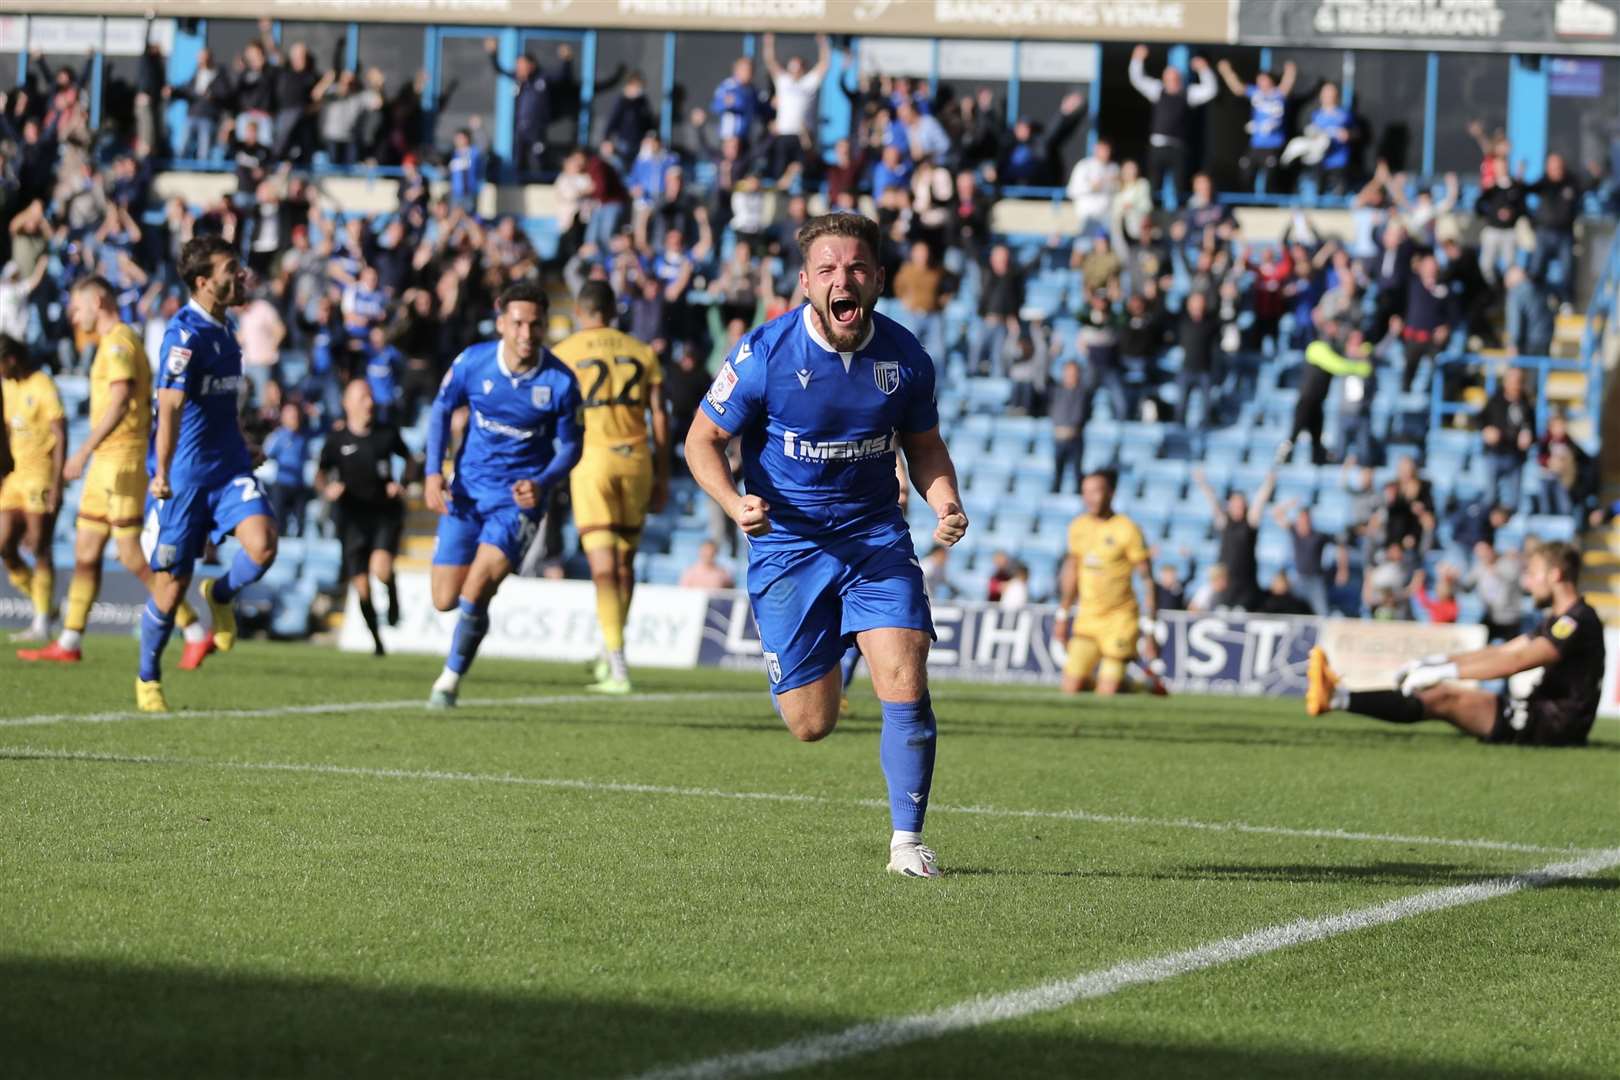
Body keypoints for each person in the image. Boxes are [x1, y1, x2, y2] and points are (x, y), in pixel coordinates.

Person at [684, 212, 967, 879]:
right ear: (807, 282)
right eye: (829, 269)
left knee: (906, 674)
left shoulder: (905, 358)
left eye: (858, 267)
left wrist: (947, 501)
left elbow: (923, 447)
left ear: (877, 278)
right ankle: (839, 642)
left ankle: (907, 843)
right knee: (811, 723)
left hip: (875, 537)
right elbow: (700, 441)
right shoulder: (764, 355)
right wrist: (733, 503)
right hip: (789, 547)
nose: (844, 279)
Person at [20, 281, 211, 665]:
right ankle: (69, 641)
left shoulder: (119, 342)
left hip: (120, 459)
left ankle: (193, 629)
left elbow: (122, 399)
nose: (74, 315)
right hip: (104, 464)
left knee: (130, 555)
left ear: (98, 300)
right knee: (85, 551)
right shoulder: (108, 342)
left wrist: (82, 451)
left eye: (77, 307)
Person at [423, 281, 584, 708]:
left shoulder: (561, 382)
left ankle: (449, 680)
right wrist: (431, 472)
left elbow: (571, 446)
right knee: (443, 599)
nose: (526, 334)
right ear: (501, 324)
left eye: (535, 325)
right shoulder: (473, 363)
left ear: (545, 326)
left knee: (476, 589)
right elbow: (440, 410)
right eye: (517, 324)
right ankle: (472, 627)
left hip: (518, 503)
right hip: (466, 495)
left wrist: (544, 481)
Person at [139, 236, 281, 713]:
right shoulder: (185, 336)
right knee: (169, 586)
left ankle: (219, 593)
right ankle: (148, 677)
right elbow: (171, 407)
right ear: (204, 282)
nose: (240, 275)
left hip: (229, 470)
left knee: (263, 546)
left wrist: (243, 442)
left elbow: (218, 406)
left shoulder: (226, 330)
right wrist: (161, 471)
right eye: (230, 269)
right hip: (186, 478)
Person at [1307, 542, 1603, 747]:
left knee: (1443, 697)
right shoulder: (1557, 619)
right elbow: (1501, 651)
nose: (1527, 584)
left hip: (1557, 725)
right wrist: (1438, 662)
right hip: (1538, 711)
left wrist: (1447, 672)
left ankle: (1337, 700)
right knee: (1439, 693)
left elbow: (1516, 662)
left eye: (1533, 574)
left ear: (1555, 575)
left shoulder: (1576, 621)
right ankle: (1338, 698)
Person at [552, 281, 669, 694]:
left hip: (592, 459)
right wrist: (663, 472)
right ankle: (611, 647)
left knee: (603, 567)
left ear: (582, 312)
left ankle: (616, 661)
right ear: (612, 312)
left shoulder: (565, 352)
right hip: (636, 459)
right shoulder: (641, 351)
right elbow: (660, 414)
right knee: (624, 565)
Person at [319, 378, 415, 658]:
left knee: (381, 569)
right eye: (362, 397)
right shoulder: (336, 440)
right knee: (361, 586)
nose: (369, 402)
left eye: (370, 396)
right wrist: (328, 489)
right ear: (347, 403)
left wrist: (402, 483)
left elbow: (409, 459)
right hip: (351, 517)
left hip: (384, 513)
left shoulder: (386, 433)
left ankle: (392, 592)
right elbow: (320, 473)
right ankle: (377, 641)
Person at [1054, 470, 1157, 696]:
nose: (1090, 498)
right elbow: (1073, 572)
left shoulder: (1128, 529)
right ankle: (1132, 681)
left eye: (1096, 491)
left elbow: (1147, 579)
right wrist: (1062, 615)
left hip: (1120, 618)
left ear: (1111, 493)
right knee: (1070, 687)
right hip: (1088, 618)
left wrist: (1150, 627)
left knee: (1107, 691)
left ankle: (1140, 686)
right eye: (1085, 492)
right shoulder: (1078, 527)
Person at [0, 334, 64, 642]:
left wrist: (58, 482)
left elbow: (60, 432)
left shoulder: (42, 385)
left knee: (39, 546)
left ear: (11, 359)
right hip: (14, 477)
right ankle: (45, 605)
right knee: (4, 546)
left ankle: (41, 622)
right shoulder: (9, 387)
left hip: (40, 475)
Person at [1127, 46, 1217, 206]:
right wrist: (1137, 60)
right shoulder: (1157, 90)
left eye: (1175, 79)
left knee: (1179, 186)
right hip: (1158, 146)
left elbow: (1210, 90)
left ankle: (1178, 218)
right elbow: (1138, 79)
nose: (1172, 82)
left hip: (1178, 148)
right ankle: (1151, 216)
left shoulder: (1188, 94)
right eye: (1169, 79)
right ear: (1164, 79)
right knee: (1153, 185)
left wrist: (1204, 70)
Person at [1282, 327, 1372, 466]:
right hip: (1307, 400)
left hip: (1318, 402)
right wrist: (1362, 368)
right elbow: (1338, 366)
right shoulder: (1315, 348)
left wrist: (1361, 351)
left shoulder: (1333, 349)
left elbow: (1365, 349)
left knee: (1316, 437)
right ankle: (1283, 457)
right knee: (1295, 433)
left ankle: (1316, 460)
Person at [1193, 465, 1276, 612]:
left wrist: (1268, 484)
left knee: (1241, 614)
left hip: (1245, 582)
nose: (1237, 506)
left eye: (1240, 503)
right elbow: (1214, 503)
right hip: (1225, 583)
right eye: (1234, 503)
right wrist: (1203, 483)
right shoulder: (1224, 522)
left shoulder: (1249, 523)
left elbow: (1259, 503)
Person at [1215, 58, 1296, 191]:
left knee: (1270, 175)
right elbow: (1238, 88)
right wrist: (1226, 71)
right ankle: (1246, 198)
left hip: (1273, 144)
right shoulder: (1256, 93)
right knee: (1245, 169)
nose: (1261, 83)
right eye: (1259, 80)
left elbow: (1286, 86)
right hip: (1256, 144)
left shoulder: (1277, 94)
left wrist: (1290, 71)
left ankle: (1268, 202)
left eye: (1264, 80)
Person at [1480, 366, 1535, 512]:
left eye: (1519, 381)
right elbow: (1480, 420)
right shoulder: (1495, 400)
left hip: (1515, 456)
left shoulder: (1526, 404)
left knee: (1514, 501)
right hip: (1495, 453)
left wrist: (1529, 436)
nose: (1516, 384)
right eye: (1513, 380)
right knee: (1490, 496)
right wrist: (1487, 431)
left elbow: (1533, 429)